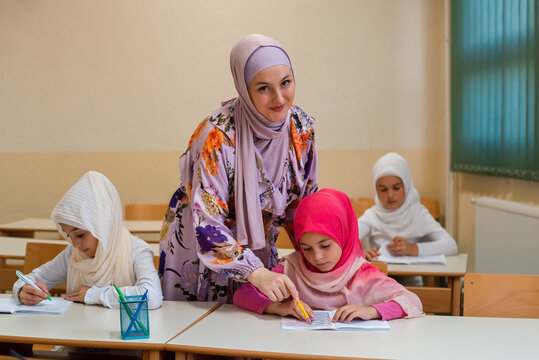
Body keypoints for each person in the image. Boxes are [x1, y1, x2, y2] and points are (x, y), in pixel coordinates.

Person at [159, 34, 318, 304]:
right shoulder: (218, 135)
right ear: (244, 88)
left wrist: (319, 258)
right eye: (264, 88)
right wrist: (254, 271)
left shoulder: (300, 128)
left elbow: (303, 205)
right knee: (203, 334)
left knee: (255, 327)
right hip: (202, 250)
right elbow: (207, 222)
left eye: (286, 83)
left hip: (260, 247)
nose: (279, 98)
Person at [233, 189, 423, 322]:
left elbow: (413, 301)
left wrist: (372, 311)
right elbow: (243, 294)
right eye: (306, 248)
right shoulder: (292, 267)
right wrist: (280, 308)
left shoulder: (362, 273)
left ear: (343, 236)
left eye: (325, 245)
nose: (317, 257)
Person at [14, 171, 163, 309]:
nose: (75, 244)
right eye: (68, 236)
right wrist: (22, 291)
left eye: (80, 235)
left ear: (102, 225)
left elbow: (151, 296)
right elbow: (30, 279)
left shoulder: (136, 250)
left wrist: (94, 295)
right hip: (79, 332)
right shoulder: (73, 255)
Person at [358, 152, 458, 263]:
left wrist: (413, 249)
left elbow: (451, 245)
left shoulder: (418, 214)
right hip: (379, 278)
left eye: (396, 188)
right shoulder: (372, 217)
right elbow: (343, 242)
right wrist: (361, 254)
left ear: (407, 186)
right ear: (376, 190)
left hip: (410, 279)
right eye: (383, 189)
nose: (390, 195)